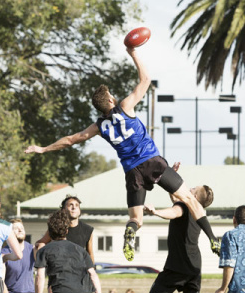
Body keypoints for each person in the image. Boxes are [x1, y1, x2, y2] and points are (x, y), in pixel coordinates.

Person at [23, 46, 218, 262]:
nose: (113, 96)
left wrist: (42, 149)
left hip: (132, 172)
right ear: (109, 101)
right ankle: (212, 239)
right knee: (190, 199)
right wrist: (133, 52)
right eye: (110, 95)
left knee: (136, 218)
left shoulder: (97, 126)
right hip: (152, 161)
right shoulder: (125, 106)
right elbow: (146, 80)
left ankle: (131, 231)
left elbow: (70, 140)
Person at [142, 183, 214, 293]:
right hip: (195, 267)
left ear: (195, 197)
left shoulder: (183, 206)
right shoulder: (198, 212)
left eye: (193, 190)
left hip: (177, 267)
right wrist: (169, 187)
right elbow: (176, 201)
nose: (189, 190)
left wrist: (156, 212)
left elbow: (173, 211)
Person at [34, 196, 112, 293]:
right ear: (63, 209)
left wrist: (92, 273)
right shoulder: (57, 228)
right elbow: (40, 243)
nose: (74, 207)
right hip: (60, 275)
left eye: (76, 205)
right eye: (70, 205)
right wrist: (41, 255)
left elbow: (90, 253)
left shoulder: (87, 230)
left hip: (81, 274)